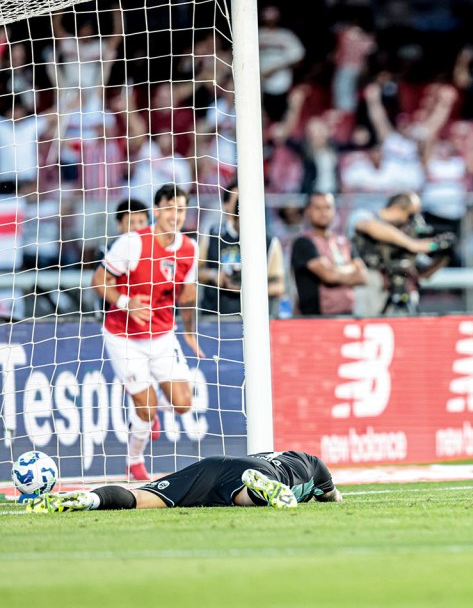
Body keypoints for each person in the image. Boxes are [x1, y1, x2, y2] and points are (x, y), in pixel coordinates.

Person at [91, 183, 203, 482]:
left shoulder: (190, 248)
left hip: (163, 335)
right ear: (156, 211)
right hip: (123, 335)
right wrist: (125, 303)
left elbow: (188, 294)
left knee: (182, 404)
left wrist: (190, 332)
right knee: (147, 409)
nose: (175, 215)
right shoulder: (133, 242)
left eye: (181, 209)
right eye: (169, 208)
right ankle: (134, 460)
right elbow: (99, 281)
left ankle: (147, 403)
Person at [27, 450, 341, 512]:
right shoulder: (314, 465)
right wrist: (324, 495)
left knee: (144, 497)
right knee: (244, 495)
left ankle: (90, 499)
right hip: (267, 477)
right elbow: (332, 497)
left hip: (218, 465)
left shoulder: (274, 454)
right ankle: (257, 491)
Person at [349, 191, 452, 317]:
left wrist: (442, 254)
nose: (413, 220)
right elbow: (370, 226)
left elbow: (424, 273)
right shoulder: (365, 215)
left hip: (402, 287)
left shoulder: (406, 233)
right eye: (411, 214)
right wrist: (413, 244)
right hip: (372, 287)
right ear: (396, 209)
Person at [198, 181, 286, 317]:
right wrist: (215, 276)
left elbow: (279, 286)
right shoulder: (212, 235)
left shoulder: (269, 242)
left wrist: (250, 289)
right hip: (214, 318)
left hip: (255, 320)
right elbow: (195, 272)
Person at [290, 191, 368, 316]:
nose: (323, 213)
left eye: (328, 207)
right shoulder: (303, 243)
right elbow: (328, 275)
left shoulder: (343, 241)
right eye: (318, 208)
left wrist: (335, 272)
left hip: (347, 316)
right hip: (315, 319)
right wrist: (352, 269)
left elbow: (363, 276)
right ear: (307, 211)